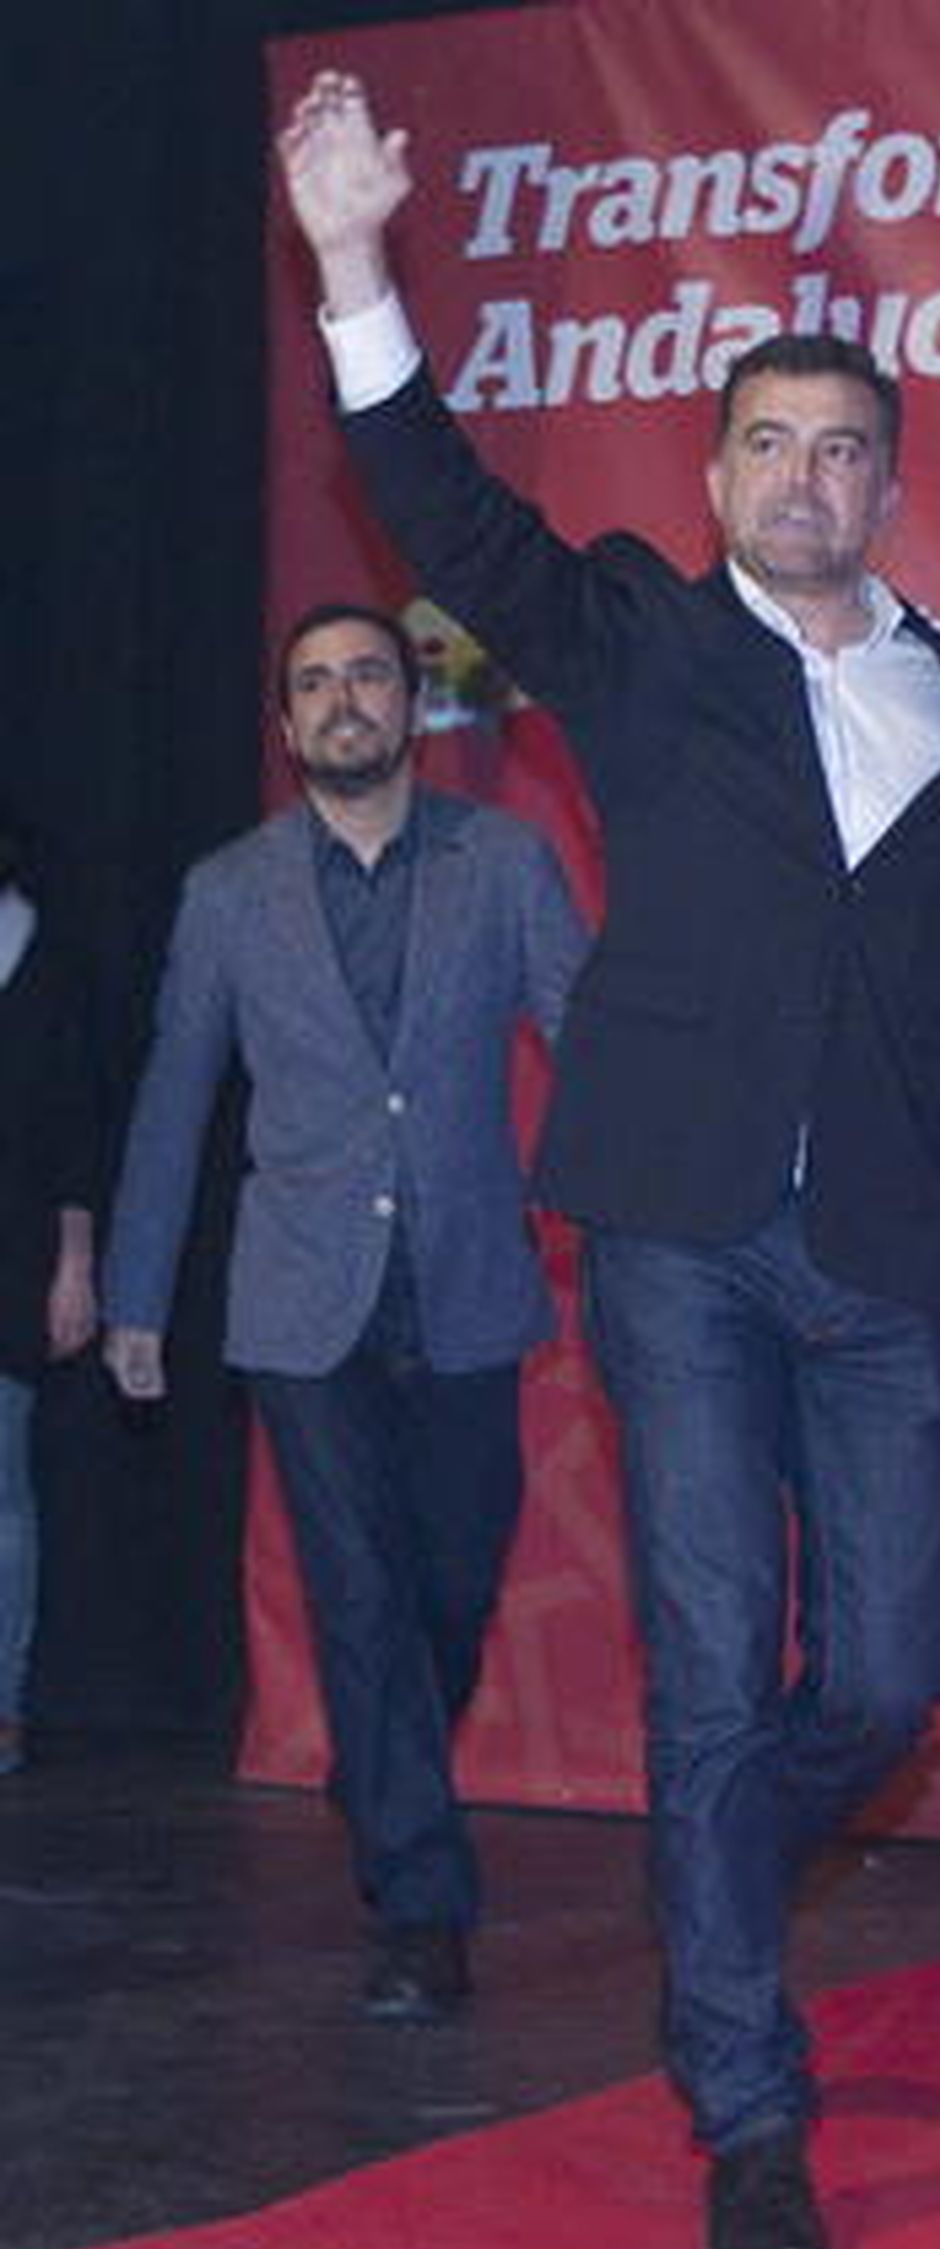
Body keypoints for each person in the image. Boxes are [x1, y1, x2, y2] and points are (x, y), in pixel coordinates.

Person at [280, 71, 940, 2249]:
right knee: (711, 1665)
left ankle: (714, 1871)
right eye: (766, 444)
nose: (802, 477)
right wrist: (355, 262)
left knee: (883, 1680)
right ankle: (748, 2100)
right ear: (718, 473)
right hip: (675, 1232)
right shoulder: (648, 641)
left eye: (840, 449)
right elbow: (451, 521)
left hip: (880, 1247)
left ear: (888, 486)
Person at [101, 602, 588, 2020]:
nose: (343, 700)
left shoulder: (502, 862)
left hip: (468, 1287)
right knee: (361, 1591)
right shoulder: (229, 893)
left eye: (367, 675)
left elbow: (588, 1043)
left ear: (411, 702)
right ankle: (421, 1909)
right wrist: (138, 1294)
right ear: (287, 724)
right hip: (300, 1300)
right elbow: (175, 1097)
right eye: (314, 684)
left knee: (452, 1585)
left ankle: (382, 1766)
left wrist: (654, 1227)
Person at [0, 804, 98, 1775]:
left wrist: (75, 1265)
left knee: (0, 1493)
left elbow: (77, 1128)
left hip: (12, 1254)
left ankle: (1, 1703)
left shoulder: (45, 963)